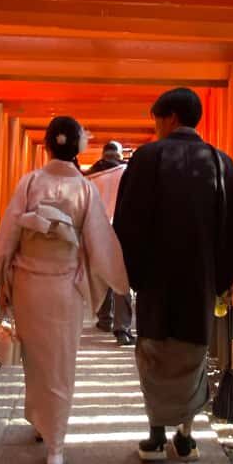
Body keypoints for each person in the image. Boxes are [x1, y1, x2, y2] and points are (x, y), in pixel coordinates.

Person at [0, 116, 129, 464]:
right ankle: (55, 445)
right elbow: (98, 242)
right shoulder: (84, 189)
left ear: (47, 145)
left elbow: (9, 232)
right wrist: (119, 278)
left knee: (37, 358)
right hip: (64, 287)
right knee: (61, 362)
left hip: (30, 284)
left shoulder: (30, 182)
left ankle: (42, 425)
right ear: (76, 147)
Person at [113, 87, 233, 463]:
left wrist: (134, 275)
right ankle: (186, 437)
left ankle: (156, 436)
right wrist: (220, 281)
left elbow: (127, 225)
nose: (156, 127)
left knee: (154, 352)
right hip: (199, 281)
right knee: (192, 354)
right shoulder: (221, 163)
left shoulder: (146, 159)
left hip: (157, 281)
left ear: (169, 117)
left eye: (156, 119)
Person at [87, 141, 135, 346]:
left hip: (98, 229)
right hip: (123, 229)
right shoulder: (128, 173)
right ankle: (122, 328)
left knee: (102, 274)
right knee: (121, 277)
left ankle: (105, 319)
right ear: (119, 155)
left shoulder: (90, 176)